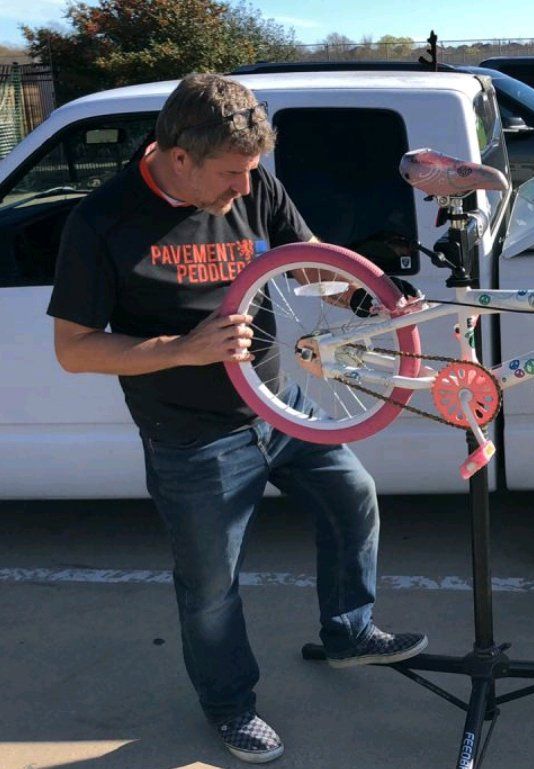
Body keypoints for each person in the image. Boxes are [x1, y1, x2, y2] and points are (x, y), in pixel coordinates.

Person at [47, 72, 427, 764]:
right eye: (230, 175)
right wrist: (183, 348)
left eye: (251, 173)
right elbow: (73, 348)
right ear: (178, 156)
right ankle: (230, 705)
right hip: (192, 436)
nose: (244, 191)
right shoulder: (103, 219)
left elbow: (308, 265)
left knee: (353, 498)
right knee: (211, 587)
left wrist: (368, 295)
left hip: (281, 405)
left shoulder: (253, 184)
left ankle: (347, 631)